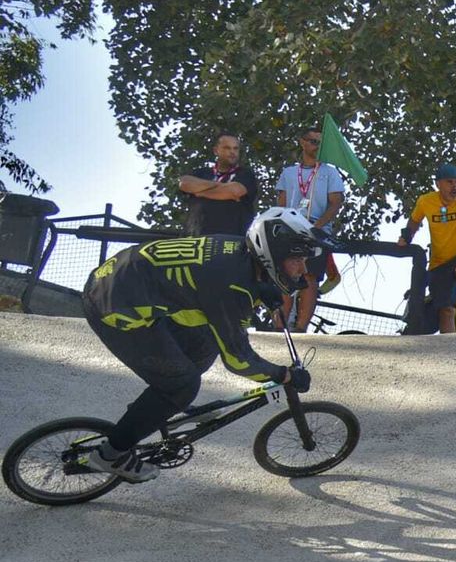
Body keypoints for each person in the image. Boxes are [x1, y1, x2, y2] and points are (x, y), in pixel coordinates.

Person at [80, 208, 335, 482]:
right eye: (297, 259)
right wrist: (283, 374)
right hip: (114, 308)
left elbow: (213, 280)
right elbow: (238, 360)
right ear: (272, 253)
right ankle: (109, 454)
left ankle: (160, 408)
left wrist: (261, 289)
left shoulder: (237, 247)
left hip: (119, 281)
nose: (303, 269)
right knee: (182, 385)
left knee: (206, 341)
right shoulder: (231, 287)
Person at [397, 162, 456, 334]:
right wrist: (406, 238)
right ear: (438, 184)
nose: (455, 187)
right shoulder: (426, 201)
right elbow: (414, 221)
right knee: (445, 309)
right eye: (450, 182)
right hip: (439, 262)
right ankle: (448, 349)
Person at [274, 127, 345, 331]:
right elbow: (281, 202)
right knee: (285, 275)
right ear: (302, 142)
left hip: (317, 228)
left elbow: (335, 202)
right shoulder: (288, 172)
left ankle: (301, 328)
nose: (317, 146)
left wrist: (317, 227)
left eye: (320, 143)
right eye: (313, 141)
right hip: (290, 226)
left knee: (310, 275)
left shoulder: (330, 172)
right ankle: (279, 326)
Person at [178, 132, 259, 236]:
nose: (232, 152)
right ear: (216, 150)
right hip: (195, 237)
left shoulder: (245, 174)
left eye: (235, 148)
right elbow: (184, 183)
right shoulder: (201, 172)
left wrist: (200, 192)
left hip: (231, 238)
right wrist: (220, 186)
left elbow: (235, 191)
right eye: (227, 148)